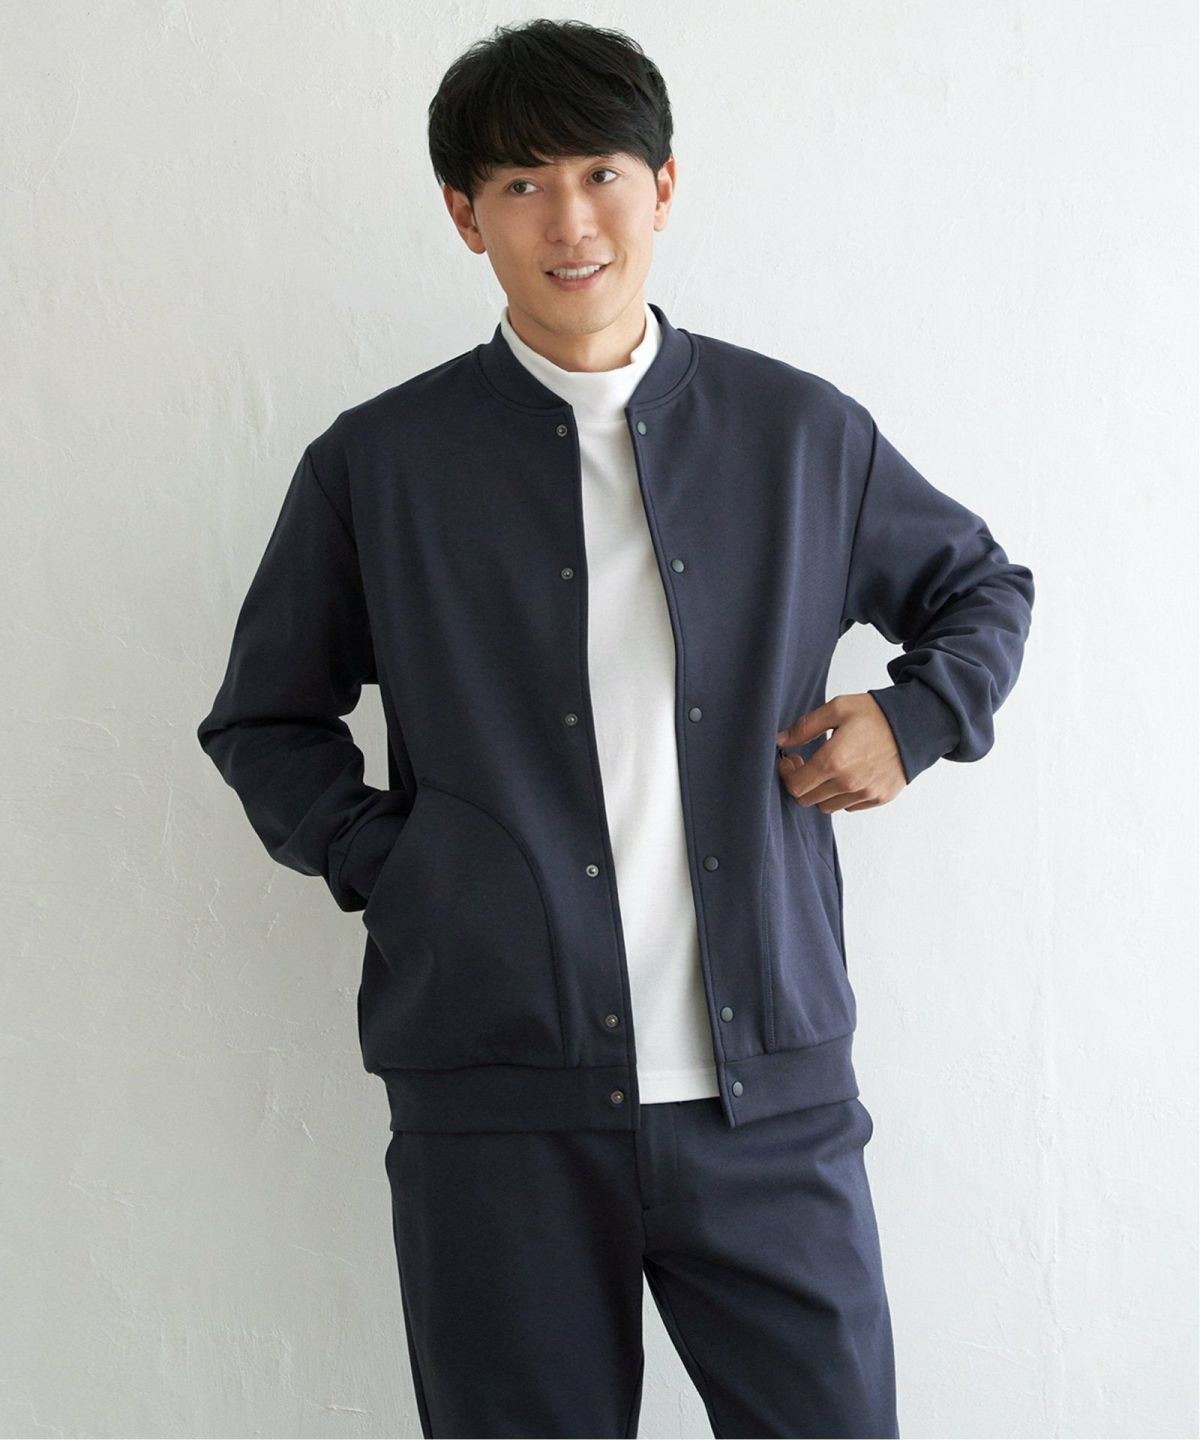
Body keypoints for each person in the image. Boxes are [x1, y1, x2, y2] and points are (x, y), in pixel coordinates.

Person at [196, 18, 1035, 1438]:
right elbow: (266, 719)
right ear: (465, 215)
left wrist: (917, 717)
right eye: (521, 184)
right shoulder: (378, 466)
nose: (570, 221)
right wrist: (408, 869)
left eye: (601, 174)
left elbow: (980, 590)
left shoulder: (799, 434)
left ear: (664, 188)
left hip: (770, 1110)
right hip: (498, 1110)